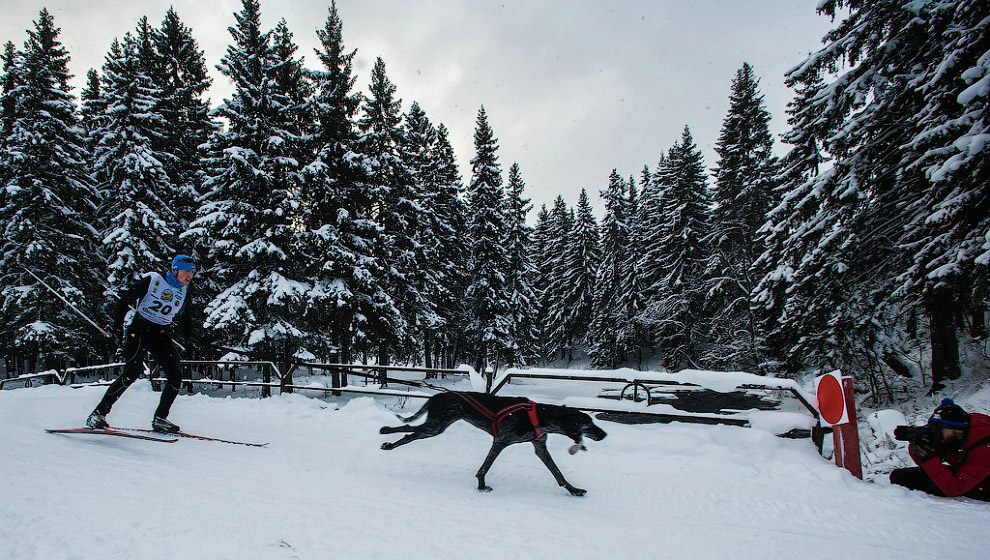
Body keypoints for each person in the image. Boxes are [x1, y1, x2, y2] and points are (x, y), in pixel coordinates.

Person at [86, 254, 197, 434]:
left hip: (160, 334)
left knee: (176, 375)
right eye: (186, 271)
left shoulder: (184, 291)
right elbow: (124, 300)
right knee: (132, 372)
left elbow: (186, 317)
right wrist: (115, 330)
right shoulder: (154, 281)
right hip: (139, 330)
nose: (189, 276)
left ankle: (160, 418)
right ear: (175, 269)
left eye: (192, 273)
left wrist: (188, 340)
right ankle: (98, 414)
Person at [889, 398, 990, 501]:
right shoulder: (957, 436)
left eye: (939, 429)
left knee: (934, 488)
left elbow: (954, 488)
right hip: (972, 477)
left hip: (985, 488)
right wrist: (920, 444)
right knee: (901, 477)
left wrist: (928, 458)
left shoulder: (985, 450)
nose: (936, 432)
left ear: (958, 430)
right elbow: (932, 461)